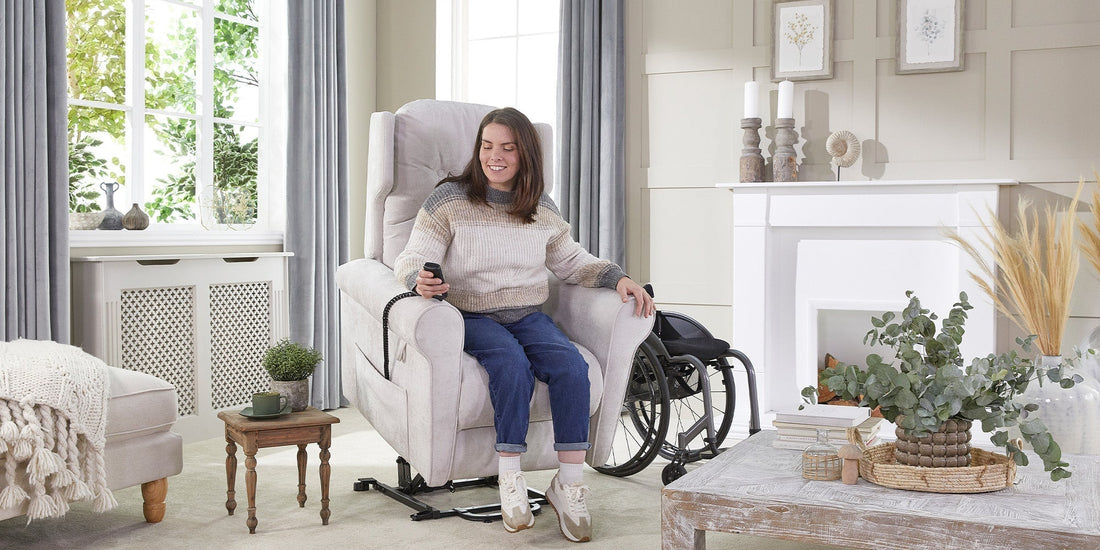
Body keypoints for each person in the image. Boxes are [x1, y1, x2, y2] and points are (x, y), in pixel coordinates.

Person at [394, 107, 654, 542]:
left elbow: (570, 261)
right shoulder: (449, 199)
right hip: (469, 315)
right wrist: (417, 278)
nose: (494, 156)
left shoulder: (537, 205)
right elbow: (412, 257)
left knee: (572, 369)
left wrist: (618, 277)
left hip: (528, 314)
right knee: (511, 365)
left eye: (507, 148)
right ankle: (510, 478)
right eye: (487, 145)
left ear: (525, 154)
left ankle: (568, 484)